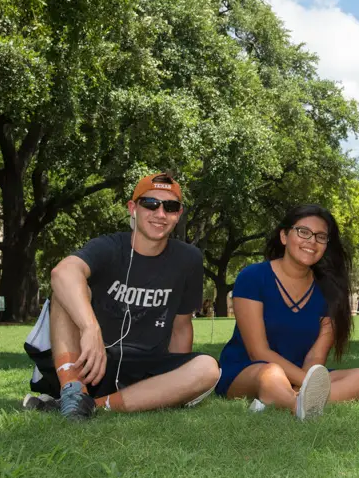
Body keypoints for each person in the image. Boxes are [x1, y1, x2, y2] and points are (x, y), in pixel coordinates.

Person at [23, 173, 220, 420]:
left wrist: (174, 381)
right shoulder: (109, 247)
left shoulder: (188, 259)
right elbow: (62, 272)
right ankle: (73, 392)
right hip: (90, 363)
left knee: (208, 369)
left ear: (178, 215)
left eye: (170, 207)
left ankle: (92, 406)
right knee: (68, 289)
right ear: (132, 208)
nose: (160, 214)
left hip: (143, 371)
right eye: (150, 204)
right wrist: (90, 329)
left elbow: (181, 327)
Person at [216, 205, 359, 420]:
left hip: (300, 376)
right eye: (303, 232)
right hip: (248, 370)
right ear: (284, 236)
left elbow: (316, 356)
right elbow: (258, 352)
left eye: (321, 236)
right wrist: (308, 382)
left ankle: (289, 399)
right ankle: (297, 404)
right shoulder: (252, 277)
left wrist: (306, 381)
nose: (312, 241)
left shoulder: (329, 291)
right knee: (270, 374)